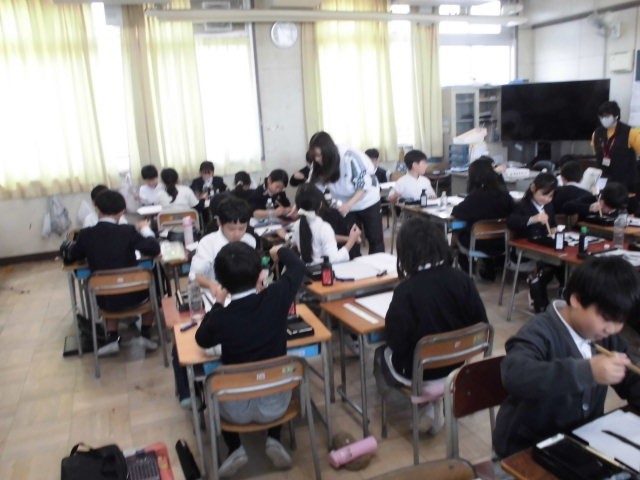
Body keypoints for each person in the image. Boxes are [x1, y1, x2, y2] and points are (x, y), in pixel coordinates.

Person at [493, 256, 640, 458]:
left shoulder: (606, 337)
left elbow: (631, 378)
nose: (613, 328)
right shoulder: (541, 331)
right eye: (606, 318)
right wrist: (588, 371)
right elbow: (514, 374)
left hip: (580, 440)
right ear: (577, 300)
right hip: (528, 447)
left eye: (620, 321)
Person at [195, 243, 305, 477]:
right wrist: (279, 250)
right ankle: (274, 438)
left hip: (235, 409)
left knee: (211, 386)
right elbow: (297, 266)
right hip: (276, 405)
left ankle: (235, 448)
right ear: (260, 275)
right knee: (274, 377)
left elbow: (201, 339)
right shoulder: (277, 297)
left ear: (222, 284)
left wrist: (218, 303)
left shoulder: (222, 317)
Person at [381, 216, 488, 434]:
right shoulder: (462, 280)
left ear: (406, 253)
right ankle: (434, 405)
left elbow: (396, 341)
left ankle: (397, 412)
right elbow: (481, 324)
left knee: (379, 354)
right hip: (458, 363)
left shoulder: (406, 291)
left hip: (421, 372)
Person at [63, 190, 160, 355]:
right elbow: (154, 248)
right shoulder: (128, 231)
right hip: (136, 297)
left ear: (97, 209)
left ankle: (112, 338)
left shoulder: (86, 235)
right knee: (152, 289)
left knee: (108, 289)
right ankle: (145, 334)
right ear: (122, 212)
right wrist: (145, 229)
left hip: (105, 299)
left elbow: (72, 256)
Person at [308, 131, 385, 253]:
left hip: (367, 200)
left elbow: (363, 186)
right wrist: (300, 204)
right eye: (314, 156)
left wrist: (349, 204)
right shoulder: (318, 164)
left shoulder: (350, 157)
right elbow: (312, 188)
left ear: (328, 151)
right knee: (350, 239)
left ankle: (378, 264)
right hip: (344, 204)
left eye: (319, 155)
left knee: (375, 238)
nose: (317, 159)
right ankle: (354, 263)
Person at [451, 156, 513, 280]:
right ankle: (488, 268)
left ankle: (467, 269)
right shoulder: (505, 196)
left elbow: (457, 212)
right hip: (502, 243)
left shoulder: (475, 197)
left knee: (457, 228)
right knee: (473, 229)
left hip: (477, 244)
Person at [507, 172, 560, 313]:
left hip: (544, 247)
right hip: (524, 250)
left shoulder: (549, 206)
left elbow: (553, 224)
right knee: (547, 266)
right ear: (533, 188)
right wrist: (532, 219)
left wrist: (554, 229)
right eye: (544, 195)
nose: (547, 199)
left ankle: (549, 295)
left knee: (560, 265)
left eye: (550, 196)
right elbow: (511, 222)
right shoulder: (522, 205)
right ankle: (540, 300)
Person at [190, 196, 257, 294]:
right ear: (219, 222)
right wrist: (211, 284)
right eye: (231, 229)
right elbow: (193, 276)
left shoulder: (250, 240)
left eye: (242, 228)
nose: (237, 234)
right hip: (217, 295)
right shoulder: (208, 243)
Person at [284, 183, 361, 265]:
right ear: (321, 204)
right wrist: (351, 240)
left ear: (297, 206)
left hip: (306, 269)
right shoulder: (324, 227)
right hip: (324, 270)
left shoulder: (296, 225)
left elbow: (292, 240)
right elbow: (333, 259)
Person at [592, 100, 640, 197]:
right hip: (604, 179)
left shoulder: (631, 132)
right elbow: (596, 153)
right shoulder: (596, 133)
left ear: (616, 116)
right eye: (601, 117)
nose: (603, 119)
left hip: (625, 182)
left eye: (607, 116)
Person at [564, 181, 629, 220]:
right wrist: (589, 208)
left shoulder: (619, 203)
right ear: (602, 200)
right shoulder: (592, 199)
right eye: (609, 208)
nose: (609, 212)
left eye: (613, 209)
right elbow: (567, 206)